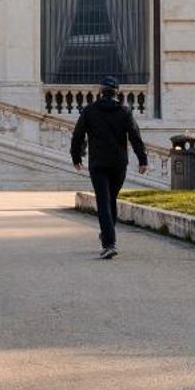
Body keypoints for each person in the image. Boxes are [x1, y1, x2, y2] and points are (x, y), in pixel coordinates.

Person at [70, 75, 148, 259]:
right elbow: (135, 137)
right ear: (117, 93)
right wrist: (142, 159)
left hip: (98, 163)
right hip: (118, 164)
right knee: (109, 199)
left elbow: (78, 136)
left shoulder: (89, 111)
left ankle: (109, 242)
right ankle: (108, 236)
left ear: (100, 91)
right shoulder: (124, 112)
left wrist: (76, 156)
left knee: (105, 202)